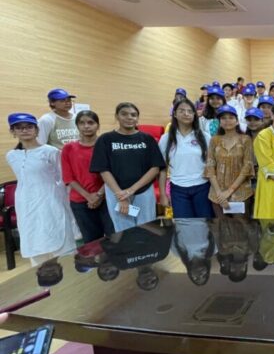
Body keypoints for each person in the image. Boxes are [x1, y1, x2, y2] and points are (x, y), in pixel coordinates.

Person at [6, 112, 76, 265]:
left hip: (52, 200)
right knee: (34, 240)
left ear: (36, 130)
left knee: (60, 239)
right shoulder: (11, 155)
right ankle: (42, 276)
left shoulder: (50, 152)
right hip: (26, 203)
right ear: (13, 131)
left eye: (29, 127)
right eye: (19, 128)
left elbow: (64, 178)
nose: (25, 130)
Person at [90, 102, 166, 232]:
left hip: (143, 191)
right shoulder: (105, 139)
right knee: (124, 229)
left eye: (133, 115)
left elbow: (155, 168)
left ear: (137, 118)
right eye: (124, 114)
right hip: (115, 192)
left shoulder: (147, 139)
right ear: (117, 116)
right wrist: (120, 195)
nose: (129, 117)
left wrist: (130, 191)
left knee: (147, 227)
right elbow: (103, 169)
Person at [61, 110, 114, 243]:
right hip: (80, 201)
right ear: (77, 126)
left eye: (91, 122)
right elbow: (68, 178)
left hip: (107, 198)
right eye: (82, 123)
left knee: (114, 238)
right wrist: (88, 196)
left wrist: (99, 195)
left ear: (98, 125)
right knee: (91, 242)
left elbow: (114, 173)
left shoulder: (107, 146)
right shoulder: (68, 148)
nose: (86, 126)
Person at [158, 98, 213, 219]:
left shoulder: (205, 137)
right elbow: (162, 169)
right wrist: (162, 194)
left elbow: (211, 165)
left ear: (194, 114)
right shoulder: (166, 139)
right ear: (175, 114)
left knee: (205, 223)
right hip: (178, 189)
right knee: (184, 225)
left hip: (202, 187)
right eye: (182, 110)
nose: (186, 114)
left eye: (190, 111)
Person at [206, 104, 255, 218]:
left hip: (241, 193)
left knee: (241, 226)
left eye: (231, 117)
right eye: (223, 118)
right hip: (217, 194)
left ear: (237, 121)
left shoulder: (245, 139)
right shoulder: (214, 140)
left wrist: (229, 191)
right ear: (219, 122)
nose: (227, 120)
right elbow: (210, 166)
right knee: (221, 225)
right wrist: (219, 193)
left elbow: (247, 167)